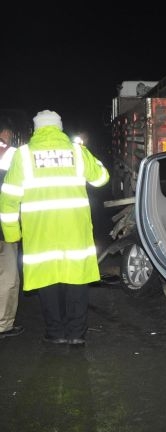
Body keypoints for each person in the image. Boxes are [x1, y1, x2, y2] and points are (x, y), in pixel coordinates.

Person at [0, 110, 109, 346]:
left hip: (41, 232)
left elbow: (8, 198)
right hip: (74, 230)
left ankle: (55, 332)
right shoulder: (77, 151)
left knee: (47, 281)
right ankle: (77, 334)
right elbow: (101, 178)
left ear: (36, 129)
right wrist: (95, 160)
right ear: (59, 128)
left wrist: (12, 234)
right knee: (76, 280)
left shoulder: (24, 155)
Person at [0, 117, 23, 339]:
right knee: (8, 277)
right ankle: (3, 324)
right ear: (6, 133)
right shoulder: (12, 154)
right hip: (4, 227)